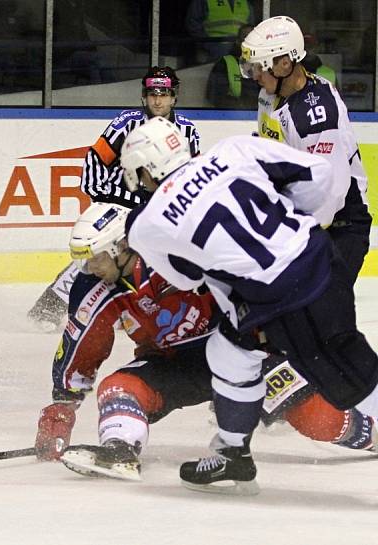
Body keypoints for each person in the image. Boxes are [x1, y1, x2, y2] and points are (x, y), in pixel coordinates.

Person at [119, 116, 378, 494]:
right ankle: (232, 452)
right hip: (316, 260)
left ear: (146, 167)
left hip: (286, 298)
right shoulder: (233, 149)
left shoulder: (147, 224)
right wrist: (291, 229)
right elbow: (318, 173)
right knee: (229, 351)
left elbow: (185, 278)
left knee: (349, 375)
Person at [34, 202, 377, 481]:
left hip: (241, 349)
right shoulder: (94, 288)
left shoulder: (179, 253)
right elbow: (83, 344)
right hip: (177, 366)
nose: (88, 268)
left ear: (120, 246)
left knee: (319, 420)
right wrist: (63, 405)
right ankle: (119, 451)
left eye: (94, 257)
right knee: (119, 388)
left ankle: (373, 433)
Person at [27, 66, 200, 331]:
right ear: (144, 96)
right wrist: (107, 197)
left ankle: (132, 309)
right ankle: (49, 307)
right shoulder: (126, 122)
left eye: (164, 94)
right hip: (119, 204)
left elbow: (192, 174)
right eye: (152, 93)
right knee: (97, 254)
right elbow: (96, 159)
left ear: (174, 97)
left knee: (151, 261)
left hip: (158, 210)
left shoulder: (188, 131)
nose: (157, 100)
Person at [240, 15, 370, 287]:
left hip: (339, 227)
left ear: (285, 63)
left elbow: (330, 194)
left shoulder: (315, 115)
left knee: (321, 314)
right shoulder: (269, 95)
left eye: (259, 68)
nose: (255, 76)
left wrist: (282, 231)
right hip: (302, 219)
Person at [185, 0, 255, 62]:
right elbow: (193, 25)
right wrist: (209, 45)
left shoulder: (245, 3)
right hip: (213, 52)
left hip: (240, 51)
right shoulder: (203, 1)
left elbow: (251, 32)